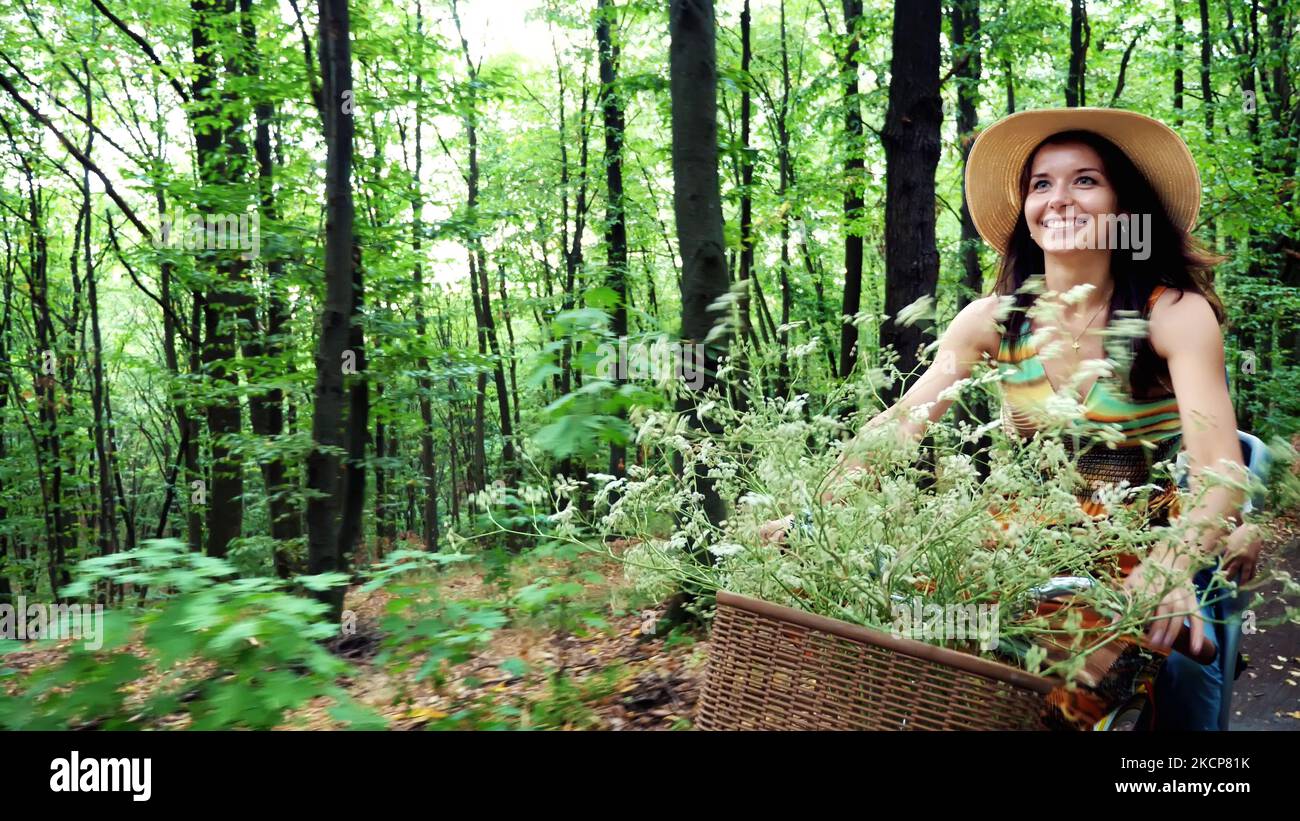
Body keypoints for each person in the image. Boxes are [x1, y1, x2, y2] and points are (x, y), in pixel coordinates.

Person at [761, 107, 1265, 730]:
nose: (1059, 199)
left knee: (1052, 696)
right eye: (1040, 184)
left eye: (1086, 180)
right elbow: (899, 425)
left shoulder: (1174, 313)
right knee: (918, 631)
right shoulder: (989, 321)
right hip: (1024, 537)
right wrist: (814, 511)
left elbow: (1221, 471)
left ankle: (1188, 661)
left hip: (1145, 539)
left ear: (1124, 205)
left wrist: (1174, 561)